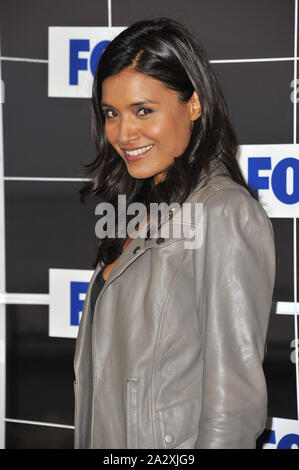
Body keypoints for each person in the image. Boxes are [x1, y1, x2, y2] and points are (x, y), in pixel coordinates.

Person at [73, 17, 276, 449]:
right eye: (112, 113)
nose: (124, 134)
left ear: (194, 105)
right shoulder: (139, 207)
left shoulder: (225, 212)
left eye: (143, 110)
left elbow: (234, 409)